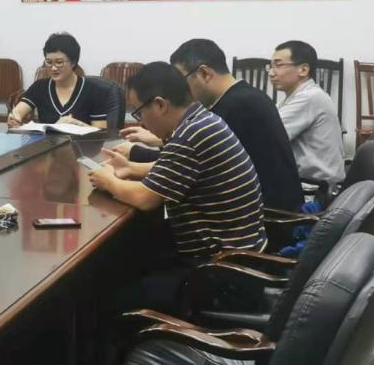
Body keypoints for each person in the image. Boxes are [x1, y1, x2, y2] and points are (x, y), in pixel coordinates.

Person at [90, 61, 266, 259]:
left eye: (139, 112)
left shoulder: (188, 137)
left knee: (117, 256)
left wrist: (108, 181)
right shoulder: (202, 120)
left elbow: (145, 199)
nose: (141, 122)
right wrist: (131, 168)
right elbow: (180, 168)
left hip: (219, 261)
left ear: (160, 105)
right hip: (240, 245)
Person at [118, 39, 303, 211]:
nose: (177, 89)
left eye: (181, 81)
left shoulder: (237, 107)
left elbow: (187, 161)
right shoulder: (243, 97)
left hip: (271, 215)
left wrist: (136, 153)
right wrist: (156, 142)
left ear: (204, 73)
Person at [269, 40, 345, 188]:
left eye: (278, 65)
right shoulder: (294, 98)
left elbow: (266, 136)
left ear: (303, 70)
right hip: (305, 182)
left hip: (315, 189)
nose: (271, 73)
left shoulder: (310, 98)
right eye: (270, 66)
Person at [8, 32, 112, 128]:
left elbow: (101, 133)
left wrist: (78, 124)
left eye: (59, 62)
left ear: (73, 62)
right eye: (49, 62)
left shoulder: (94, 91)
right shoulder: (39, 87)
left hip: (81, 143)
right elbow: (18, 111)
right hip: (47, 142)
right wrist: (14, 118)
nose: (53, 68)